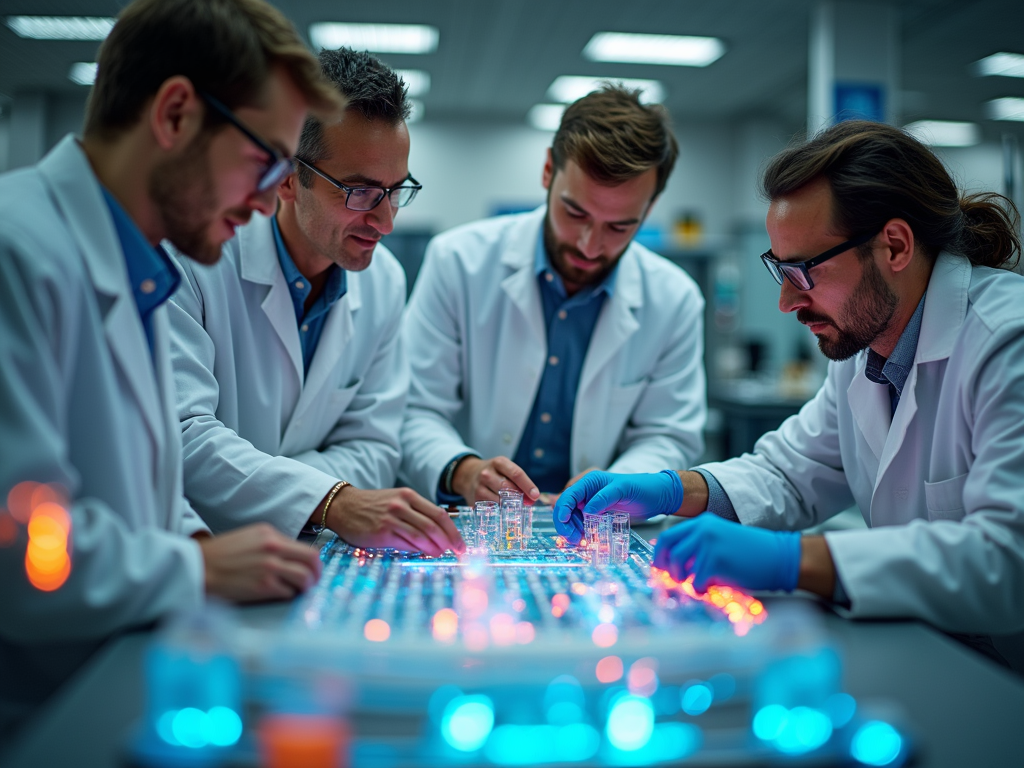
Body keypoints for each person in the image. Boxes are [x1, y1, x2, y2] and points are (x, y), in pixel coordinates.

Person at [554, 120, 1024, 671]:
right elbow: (790, 474)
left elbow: (1005, 558)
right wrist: (666, 490)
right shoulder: (863, 351)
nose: (785, 301)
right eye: (780, 269)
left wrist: (793, 560)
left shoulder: (1006, 341)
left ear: (894, 245)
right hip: (933, 648)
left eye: (803, 271)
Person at [0, 0, 344, 734]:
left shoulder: (141, 263)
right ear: (177, 114)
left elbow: (139, 495)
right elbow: (19, 550)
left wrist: (198, 543)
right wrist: (196, 569)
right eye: (265, 160)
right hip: (37, 714)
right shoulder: (16, 251)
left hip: (116, 677)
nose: (264, 198)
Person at [166, 48, 463, 556]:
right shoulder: (193, 257)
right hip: (201, 554)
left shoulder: (384, 280)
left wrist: (308, 498)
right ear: (284, 176)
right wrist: (330, 501)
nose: (386, 222)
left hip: (313, 551)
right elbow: (183, 435)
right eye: (360, 192)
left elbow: (375, 449)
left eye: (396, 190)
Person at [400, 86, 706, 506]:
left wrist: (618, 484)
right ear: (548, 170)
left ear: (649, 209)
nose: (589, 245)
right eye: (575, 213)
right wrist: (464, 470)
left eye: (618, 227)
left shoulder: (674, 300)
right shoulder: (458, 261)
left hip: (594, 528)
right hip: (471, 520)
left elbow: (668, 434)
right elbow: (414, 408)